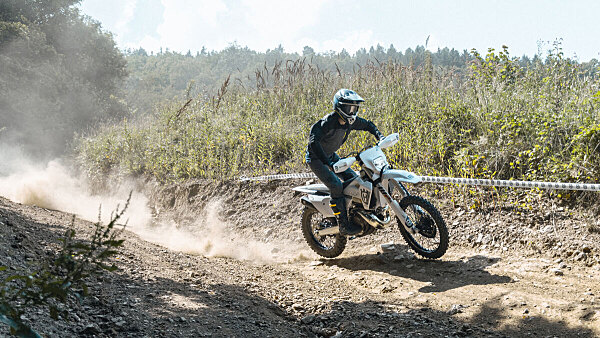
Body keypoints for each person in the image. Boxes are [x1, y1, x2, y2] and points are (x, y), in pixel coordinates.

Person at [305, 89, 384, 236]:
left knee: (353, 180)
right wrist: (327, 163)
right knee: (336, 186)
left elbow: (368, 125)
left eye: (355, 108)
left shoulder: (350, 122)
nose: (352, 111)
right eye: (349, 108)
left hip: (331, 155)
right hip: (317, 159)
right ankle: (343, 225)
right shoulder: (327, 122)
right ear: (340, 107)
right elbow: (313, 143)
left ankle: (355, 213)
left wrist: (380, 136)